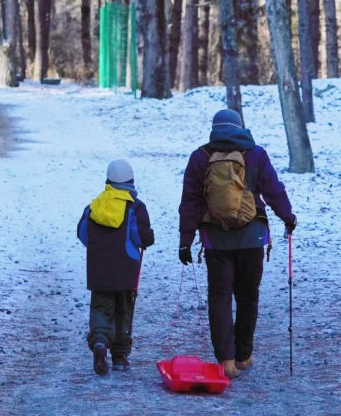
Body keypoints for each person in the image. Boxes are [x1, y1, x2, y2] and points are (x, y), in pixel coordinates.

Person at [178, 106, 296, 378]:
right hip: (252, 237)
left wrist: (186, 241)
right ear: (240, 127)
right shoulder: (255, 154)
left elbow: (191, 202)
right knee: (248, 297)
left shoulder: (200, 157)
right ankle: (243, 355)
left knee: (219, 297)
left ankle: (226, 361)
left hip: (215, 238)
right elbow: (274, 190)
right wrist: (287, 217)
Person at [77, 157, 155, 375]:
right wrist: (149, 238)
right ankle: (120, 358)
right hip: (126, 271)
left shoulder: (93, 206)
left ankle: (100, 341)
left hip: (98, 271)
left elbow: (83, 235)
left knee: (101, 309)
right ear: (131, 181)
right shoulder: (135, 208)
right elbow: (141, 238)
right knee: (123, 312)